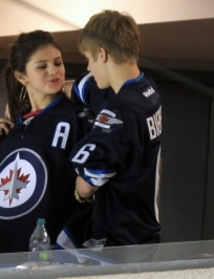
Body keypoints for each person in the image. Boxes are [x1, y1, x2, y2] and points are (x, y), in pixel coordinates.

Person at [0, 30, 93, 254]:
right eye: (42, 66)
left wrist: (66, 247)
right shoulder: (10, 128)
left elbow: (96, 187)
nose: (53, 71)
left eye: (58, 62)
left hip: (48, 263)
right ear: (22, 76)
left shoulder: (78, 118)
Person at [57, 10, 162, 249]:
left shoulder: (119, 110)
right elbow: (85, 87)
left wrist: (78, 193)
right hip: (145, 230)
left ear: (102, 54)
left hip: (118, 238)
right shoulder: (148, 90)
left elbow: (89, 179)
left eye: (89, 59)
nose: (89, 67)